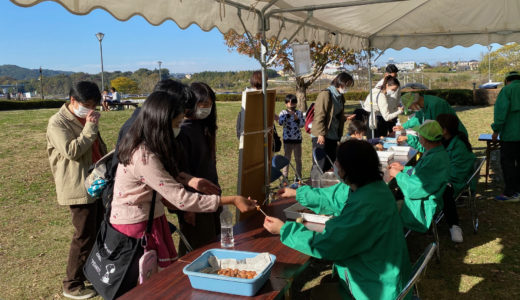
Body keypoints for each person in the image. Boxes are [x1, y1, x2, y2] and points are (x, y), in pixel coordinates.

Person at [111, 91, 256, 271]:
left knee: (157, 277)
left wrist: (191, 180)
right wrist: (232, 200)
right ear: (160, 123)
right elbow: (181, 199)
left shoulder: (150, 145)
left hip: (150, 219)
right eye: (177, 124)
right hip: (136, 226)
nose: (179, 128)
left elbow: (165, 174)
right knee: (145, 280)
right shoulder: (143, 156)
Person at [265, 140, 411, 300]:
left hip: (376, 289)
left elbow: (328, 244)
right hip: (382, 274)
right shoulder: (372, 187)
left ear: (349, 169)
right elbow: (333, 196)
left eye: (337, 162)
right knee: (329, 280)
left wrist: (284, 230)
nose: (334, 165)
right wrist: (298, 193)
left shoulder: (364, 208)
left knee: (312, 295)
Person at [46, 81, 107, 299]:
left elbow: (97, 147)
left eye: (94, 105)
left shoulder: (84, 118)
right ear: (73, 101)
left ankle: (89, 273)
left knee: (97, 231)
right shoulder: (57, 123)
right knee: (83, 236)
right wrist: (90, 127)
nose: (91, 109)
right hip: (78, 186)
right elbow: (72, 151)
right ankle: (71, 284)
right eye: (88, 104)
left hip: (96, 183)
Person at [398, 114, 475, 242]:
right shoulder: (441, 144)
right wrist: (405, 170)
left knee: (445, 190)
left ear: (444, 130)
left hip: (454, 179)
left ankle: (454, 225)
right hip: (440, 176)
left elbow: (419, 186)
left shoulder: (457, 146)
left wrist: (401, 175)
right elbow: (427, 152)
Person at [176, 82, 222, 255]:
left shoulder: (204, 126)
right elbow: (181, 172)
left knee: (214, 240)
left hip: (212, 193)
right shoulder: (182, 131)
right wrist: (188, 209)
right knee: (197, 248)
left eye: (210, 105)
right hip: (193, 201)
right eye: (203, 105)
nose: (207, 109)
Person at [389, 120, 450, 233]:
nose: (419, 137)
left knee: (386, 210)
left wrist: (398, 175)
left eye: (420, 135)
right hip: (428, 197)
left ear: (425, 140)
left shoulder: (434, 158)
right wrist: (404, 169)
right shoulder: (436, 152)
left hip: (421, 205)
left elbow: (414, 189)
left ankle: (393, 238)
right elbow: (421, 172)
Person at [311, 72, 354, 172]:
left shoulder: (340, 97)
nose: (347, 88)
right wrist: (320, 134)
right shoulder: (326, 94)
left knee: (330, 165)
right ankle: (316, 185)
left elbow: (334, 115)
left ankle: (327, 186)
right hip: (322, 136)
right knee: (320, 165)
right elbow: (319, 115)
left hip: (334, 135)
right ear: (340, 83)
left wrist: (345, 117)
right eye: (347, 85)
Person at [491, 71, 520, 201]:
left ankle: (511, 193)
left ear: (507, 80)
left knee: (508, 164)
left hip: (510, 136)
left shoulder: (507, 90)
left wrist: (496, 130)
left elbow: (501, 113)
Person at [393, 92, 468, 136]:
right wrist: (403, 126)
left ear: (414, 103)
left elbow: (438, 128)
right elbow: (417, 118)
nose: (411, 110)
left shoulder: (435, 105)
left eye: (410, 107)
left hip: (455, 135)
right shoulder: (422, 105)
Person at [278, 94, 305, 179]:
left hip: (297, 140)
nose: (290, 104)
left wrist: (297, 119)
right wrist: (288, 115)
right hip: (287, 140)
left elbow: (302, 125)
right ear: (285, 104)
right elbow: (280, 122)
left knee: (298, 159)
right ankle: (285, 178)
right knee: (286, 160)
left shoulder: (299, 113)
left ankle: (298, 177)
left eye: (293, 102)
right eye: (288, 102)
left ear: (296, 103)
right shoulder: (283, 113)